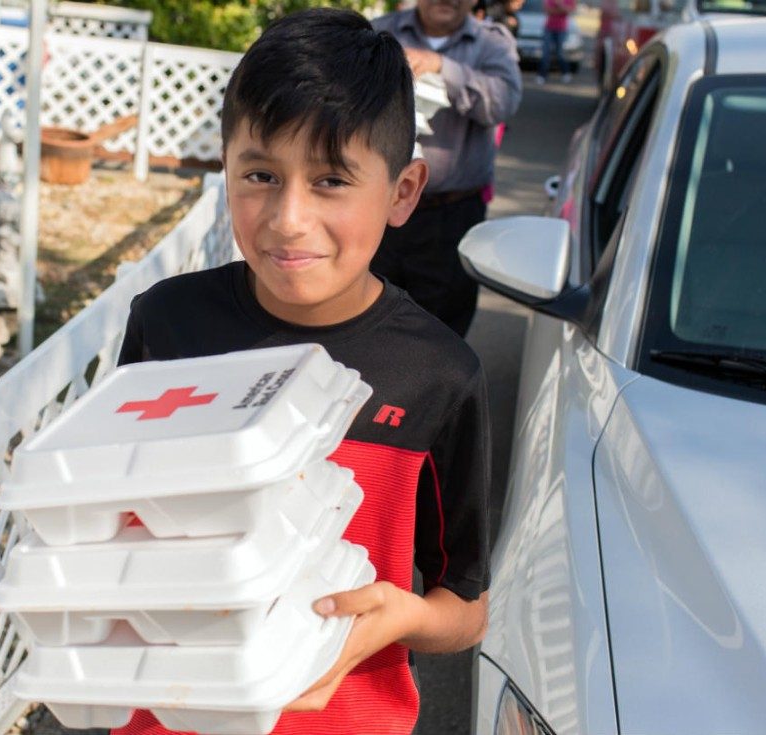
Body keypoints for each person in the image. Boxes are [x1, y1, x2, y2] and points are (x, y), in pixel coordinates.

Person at [112, 8, 492, 735]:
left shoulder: (440, 375)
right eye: (260, 174)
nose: (288, 217)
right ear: (223, 166)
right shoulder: (167, 325)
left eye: (330, 180)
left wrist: (400, 614)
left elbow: (465, 608)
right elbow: (115, 527)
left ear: (403, 191)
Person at [372, 0, 521, 337]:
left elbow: (503, 102)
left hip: (451, 215)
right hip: (379, 208)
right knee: (365, 313)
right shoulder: (382, 31)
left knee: (440, 328)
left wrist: (442, 67)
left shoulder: (492, 42)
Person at [537, 0, 576, 84]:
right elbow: (547, 10)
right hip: (549, 28)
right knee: (545, 53)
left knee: (560, 53)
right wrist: (561, 10)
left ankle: (565, 73)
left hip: (561, 29)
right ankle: (542, 75)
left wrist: (559, 4)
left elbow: (569, 11)